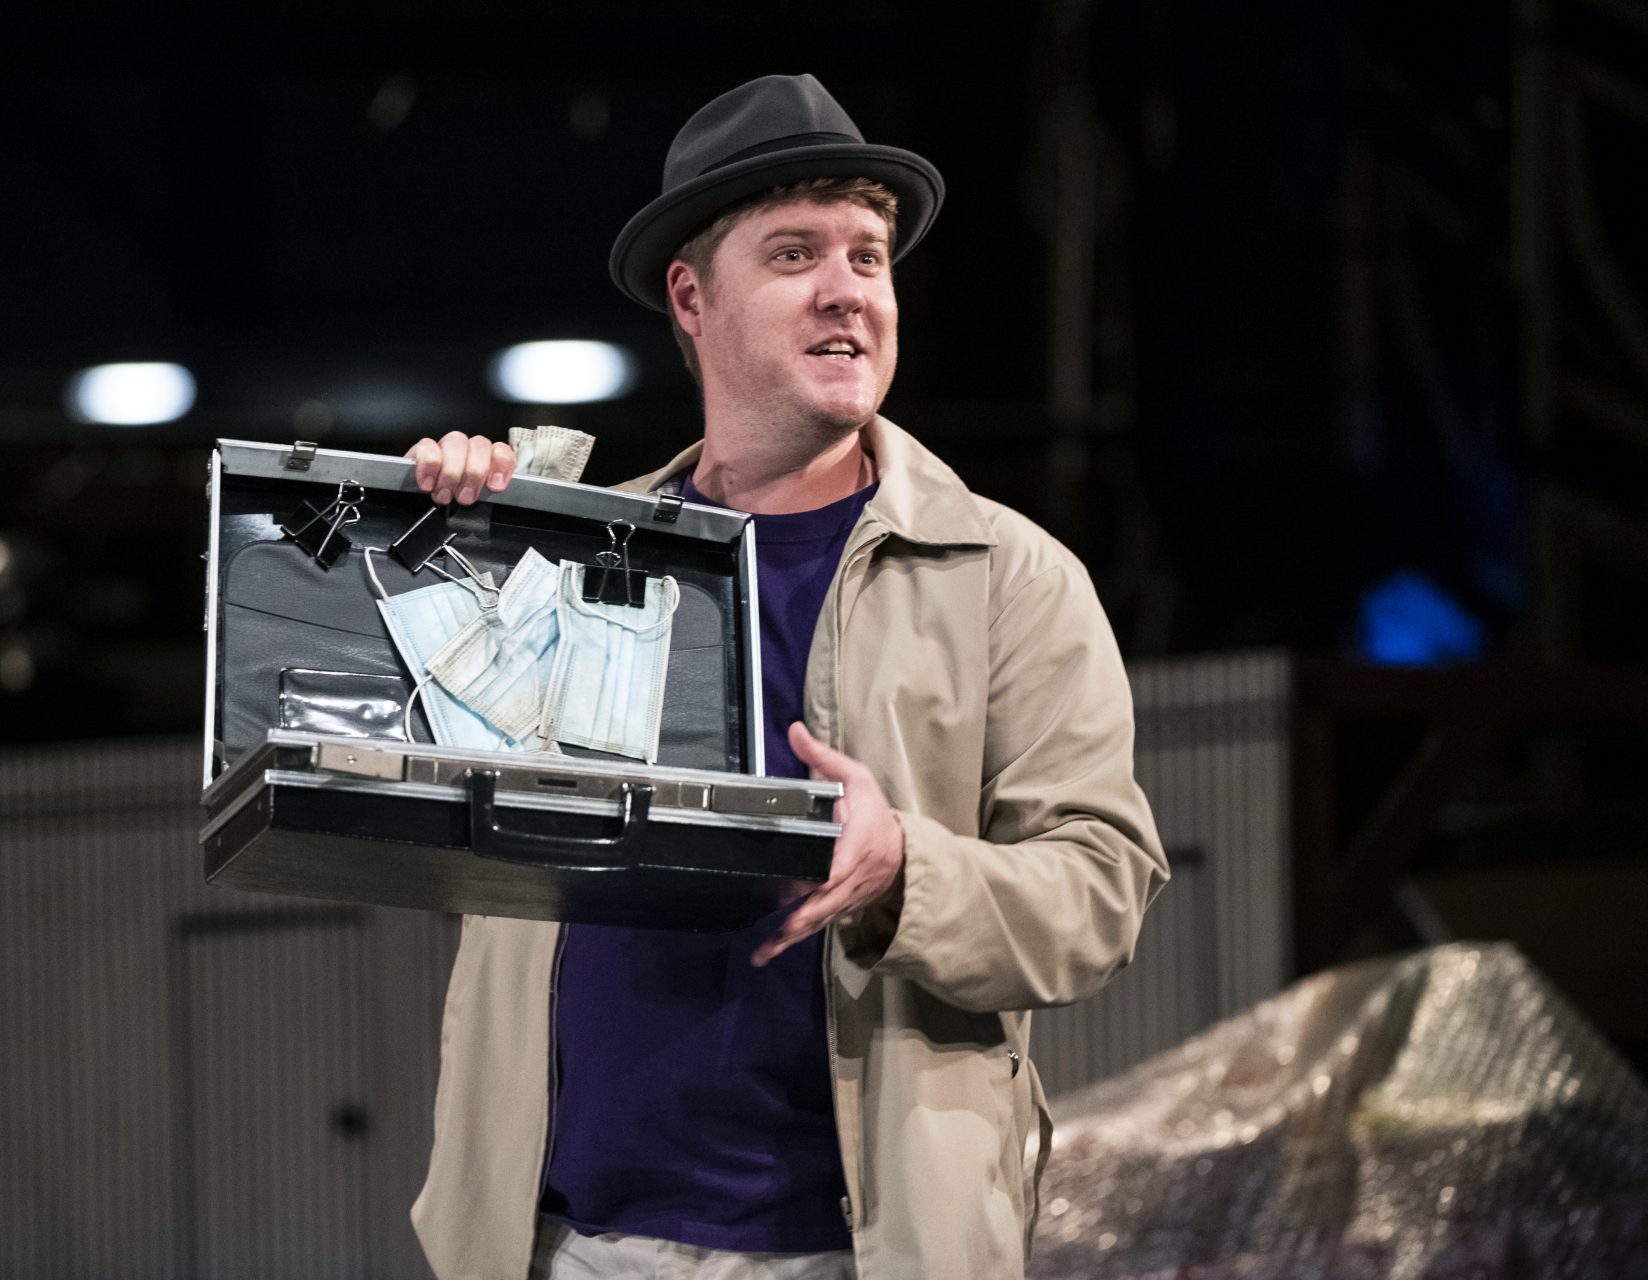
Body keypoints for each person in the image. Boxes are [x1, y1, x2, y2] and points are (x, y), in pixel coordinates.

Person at [404, 74, 1168, 1280]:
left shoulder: (1005, 576)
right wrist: (435, 539)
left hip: (857, 1252)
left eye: (869, 256)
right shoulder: (569, 556)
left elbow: (1099, 892)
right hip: (568, 1245)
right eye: (796, 253)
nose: (847, 289)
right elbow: (415, 794)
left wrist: (906, 868)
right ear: (692, 297)